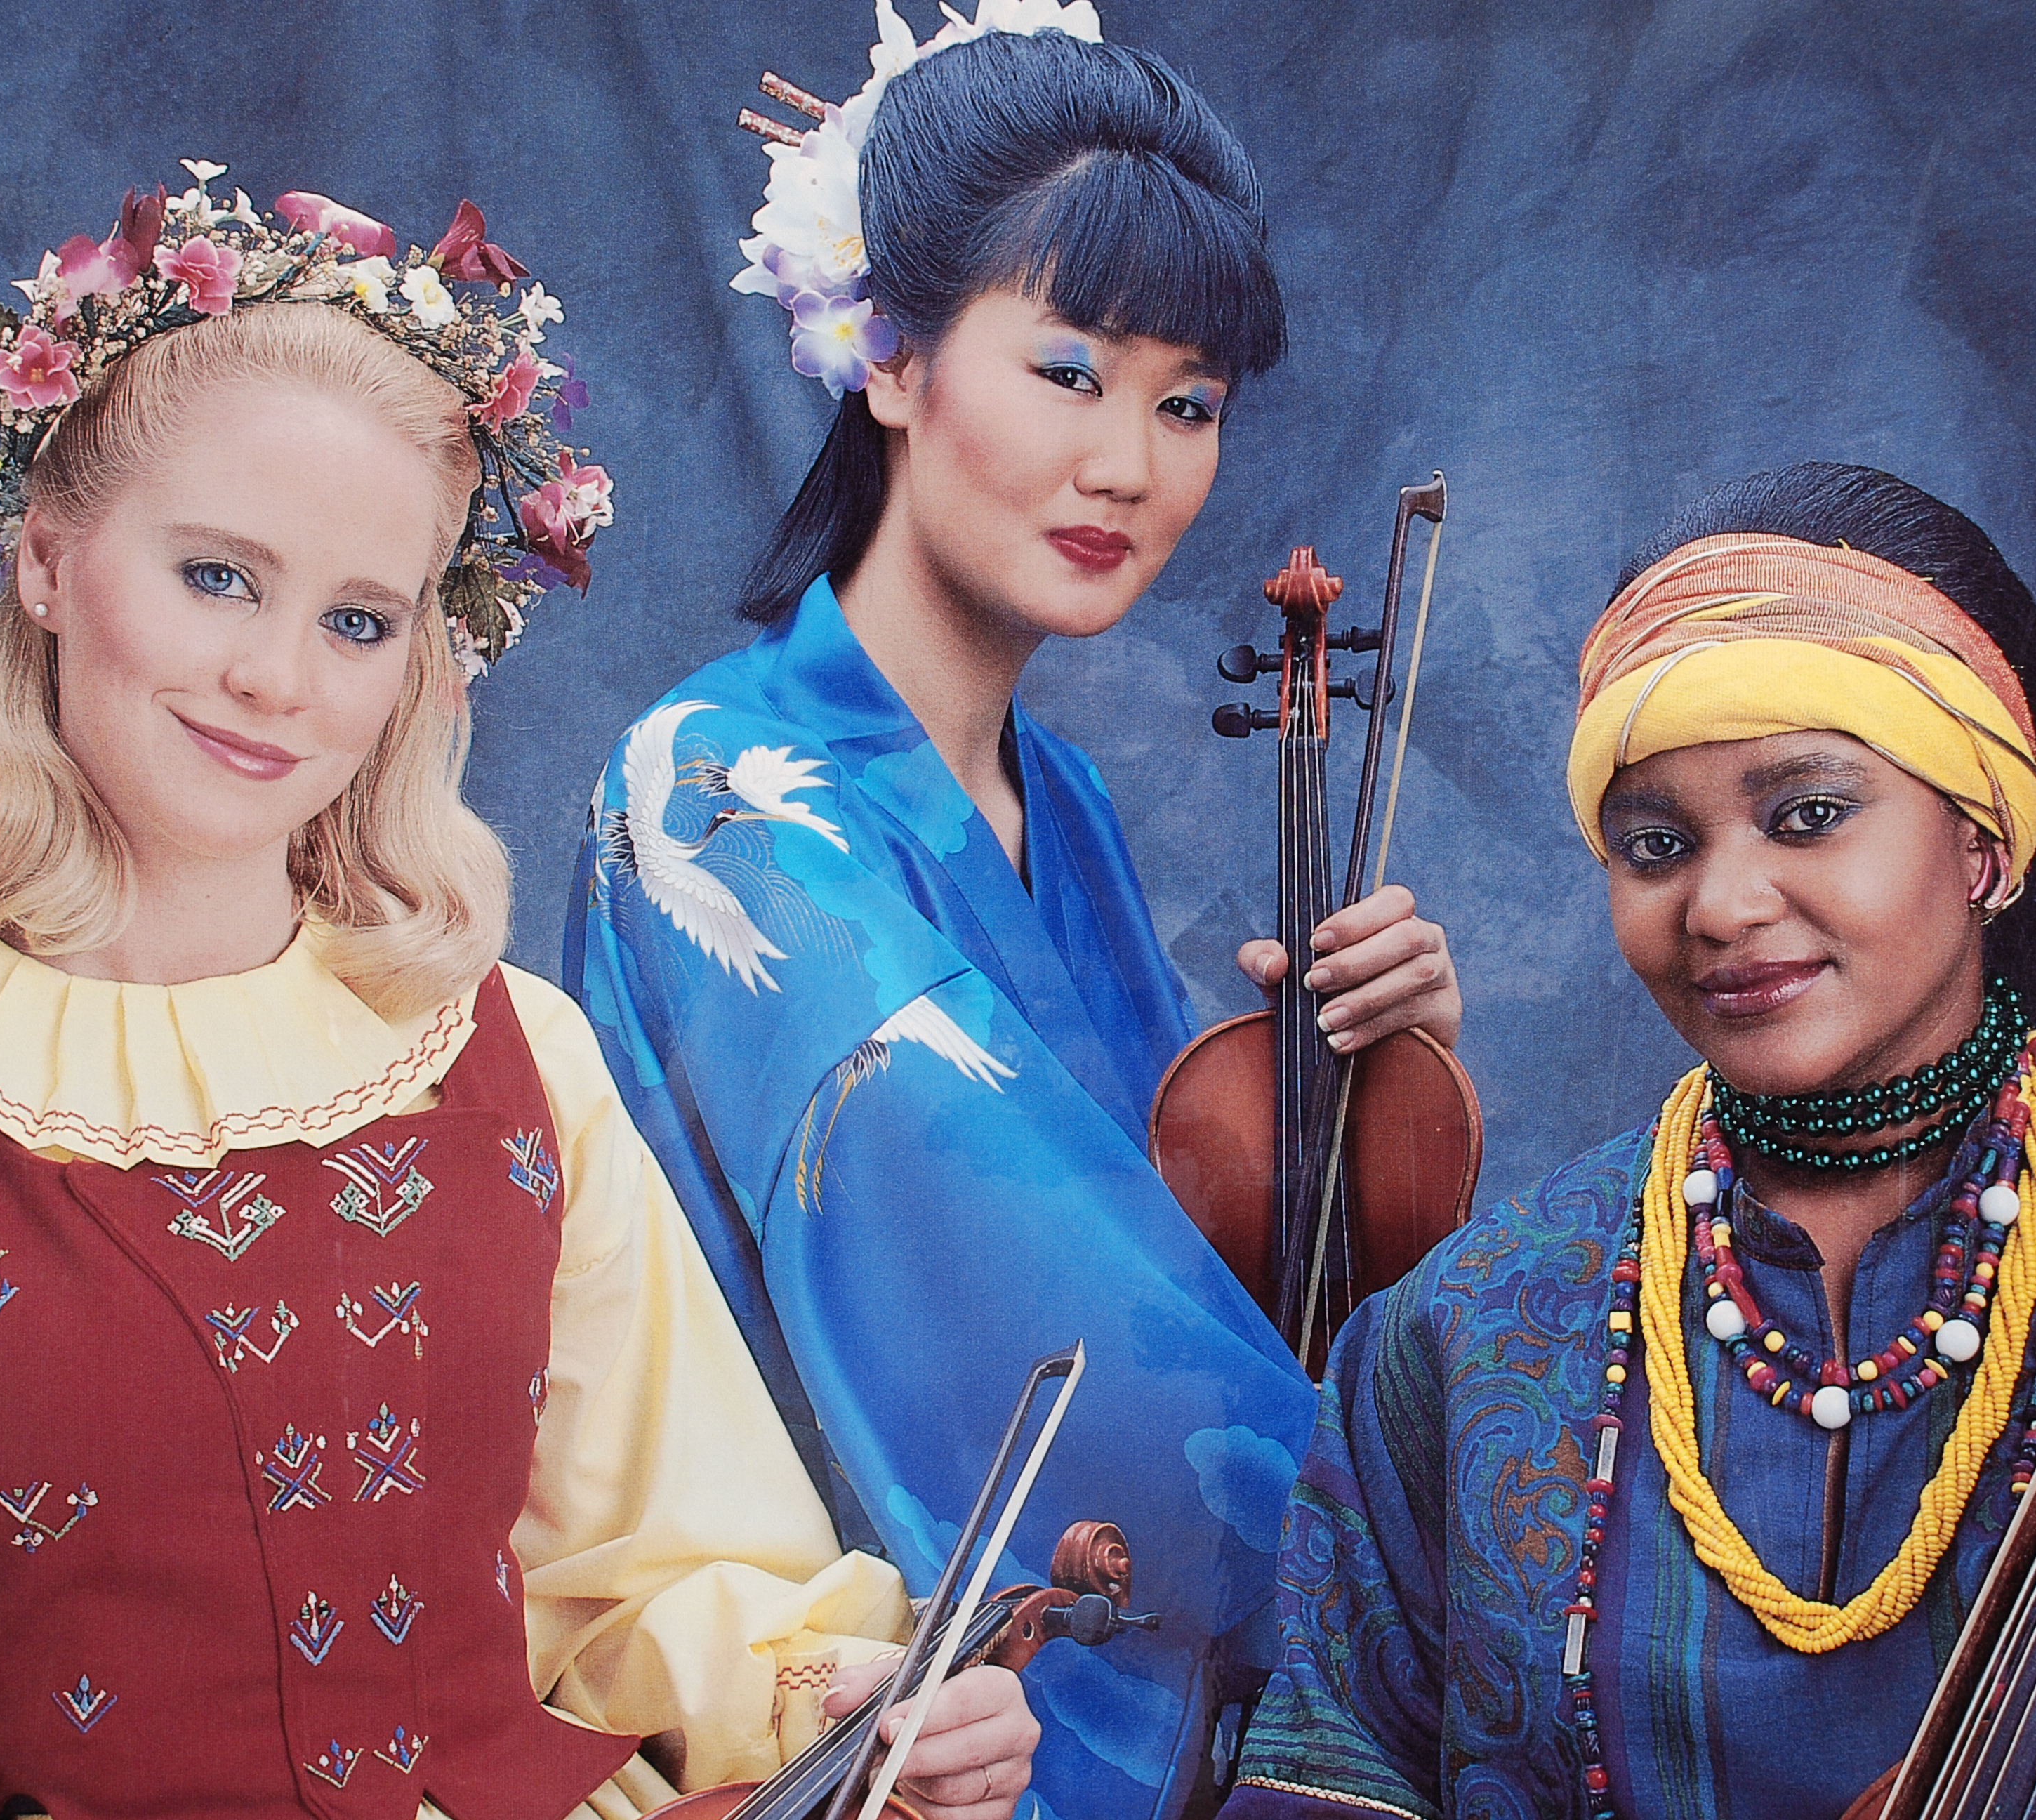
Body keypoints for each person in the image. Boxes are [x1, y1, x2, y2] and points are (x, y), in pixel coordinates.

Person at [0, 162, 1037, 1820]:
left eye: (355, 620)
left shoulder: (511, 1055)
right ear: (47, 559)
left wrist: (853, 1707)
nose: (277, 678)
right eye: (215, 576)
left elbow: (657, 1570)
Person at [1219, 463, 2036, 1819]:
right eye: (1655, 844)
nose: (1722, 905)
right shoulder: (1465, 1328)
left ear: (1985, 843)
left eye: (1809, 815)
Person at [564, 8, 1460, 1818]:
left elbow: (1191, 1258)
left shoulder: (1067, 805)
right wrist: (1450, 1509)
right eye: (1069, 370)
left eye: (1187, 404)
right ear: (888, 356)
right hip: (866, 1694)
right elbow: (1049, 1313)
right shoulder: (715, 793)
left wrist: (1374, 1095)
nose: (1130, 462)